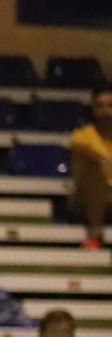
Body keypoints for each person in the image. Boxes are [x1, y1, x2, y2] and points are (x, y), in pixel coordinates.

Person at [67, 84, 112, 249]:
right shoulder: (81, 135)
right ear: (93, 109)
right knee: (93, 170)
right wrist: (102, 160)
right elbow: (84, 152)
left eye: (110, 106)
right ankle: (95, 234)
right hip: (85, 200)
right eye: (100, 106)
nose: (106, 112)